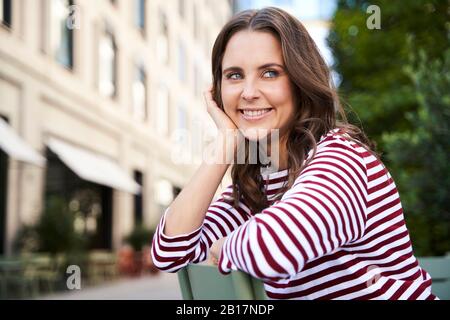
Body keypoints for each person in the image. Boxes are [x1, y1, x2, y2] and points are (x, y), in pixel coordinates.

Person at [151, 7, 437, 300]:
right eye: (234, 75)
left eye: (270, 73)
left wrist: (224, 247)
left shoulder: (342, 159)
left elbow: (276, 248)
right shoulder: (258, 183)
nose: (248, 92)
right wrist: (225, 144)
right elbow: (169, 253)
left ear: (300, 82)